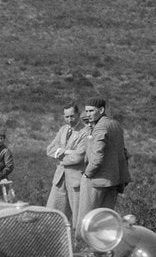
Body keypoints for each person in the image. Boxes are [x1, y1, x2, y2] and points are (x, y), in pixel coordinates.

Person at [77, 96, 131, 225]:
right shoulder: (115, 124)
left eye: (91, 111)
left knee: (87, 221)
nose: (87, 114)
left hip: (96, 180)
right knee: (105, 221)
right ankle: (103, 245)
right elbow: (123, 152)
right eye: (87, 111)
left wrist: (87, 174)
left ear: (101, 110)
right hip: (113, 180)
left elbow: (97, 157)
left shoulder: (100, 127)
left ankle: (83, 244)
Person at [45, 102, 88, 221]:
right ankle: (55, 238)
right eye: (66, 117)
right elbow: (49, 149)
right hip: (59, 178)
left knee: (78, 217)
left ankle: (77, 239)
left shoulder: (85, 132)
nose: (69, 119)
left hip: (75, 180)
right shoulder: (63, 130)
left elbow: (79, 156)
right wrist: (64, 151)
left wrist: (61, 156)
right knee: (52, 214)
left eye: (72, 116)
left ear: (78, 114)